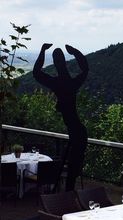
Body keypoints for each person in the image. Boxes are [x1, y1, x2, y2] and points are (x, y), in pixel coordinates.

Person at [33, 43, 88, 191]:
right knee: (72, 167)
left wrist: (42, 51)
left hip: (75, 131)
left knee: (72, 167)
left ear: (57, 64)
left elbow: (37, 73)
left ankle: (67, 196)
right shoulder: (72, 83)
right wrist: (75, 51)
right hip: (78, 131)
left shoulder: (56, 83)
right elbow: (85, 69)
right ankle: (68, 194)